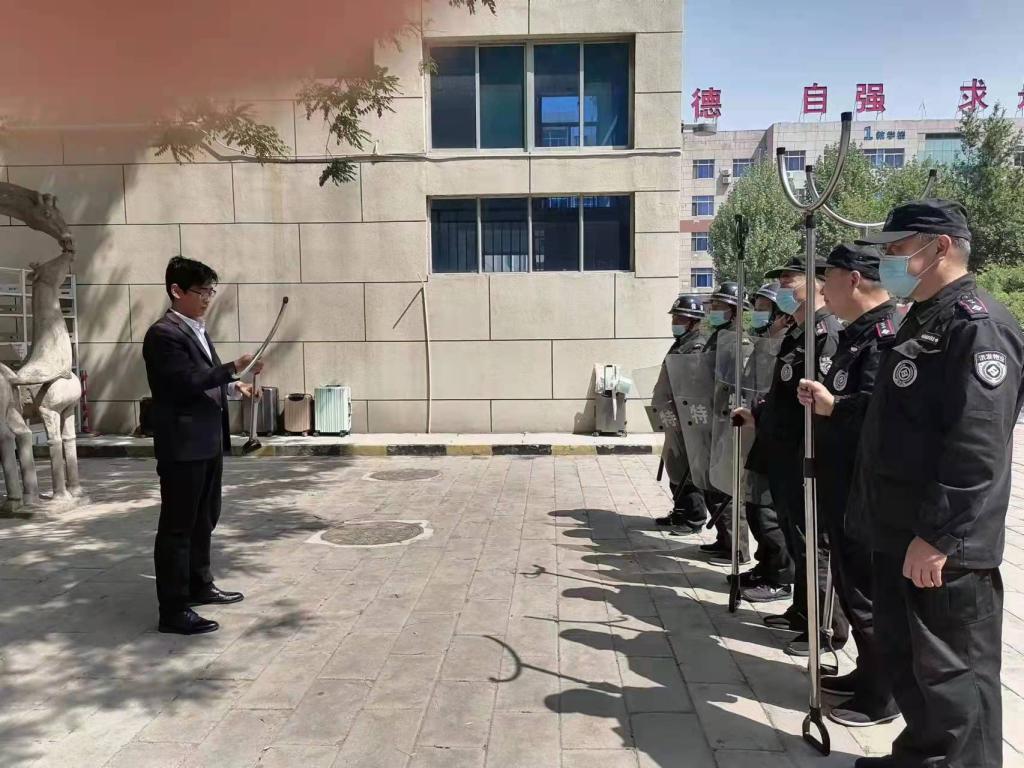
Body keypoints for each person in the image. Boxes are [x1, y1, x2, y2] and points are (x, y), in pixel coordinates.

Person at [848, 200, 1024, 767]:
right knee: (911, 665)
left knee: (955, 678)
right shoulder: (922, 318)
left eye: (898, 250)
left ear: (939, 247)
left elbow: (978, 445)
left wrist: (939, 536)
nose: (890, 263)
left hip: (941, 543)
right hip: (900, 530)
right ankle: (920, 758)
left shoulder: (978, 326)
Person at [797, 244, 900, 728]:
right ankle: (867, 672)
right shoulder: (856, 333)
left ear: (854, 278)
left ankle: (884, 693)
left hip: (866, 488)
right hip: (841, 483)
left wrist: (835, 406)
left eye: (829, 277)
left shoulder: (885, 336)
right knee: (851, 585)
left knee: (868, 591)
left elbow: (882, 411)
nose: (823, 288)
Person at [734, 257, 849, 658]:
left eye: (790, 280)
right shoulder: (797, 334)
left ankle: (826, 629)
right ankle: (802, 611)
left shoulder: (825, 334)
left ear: (818, 283)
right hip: (781, 453)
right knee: (796, 537)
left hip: (806, 454)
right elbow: (782, 397)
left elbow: (823, 403)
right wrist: (757, 414)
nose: (783, 287)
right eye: (780, 280)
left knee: (814, 543)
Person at [143, 256, 263, 636]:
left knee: (205, 518)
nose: (208, 298)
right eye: (202, 291)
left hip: (208, 442)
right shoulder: (163, 334)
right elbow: (184, 382)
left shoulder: (196, 329)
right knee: (177, 527)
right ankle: (173, 610)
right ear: (176, 291)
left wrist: (235, 386)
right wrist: (231, 368)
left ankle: (199, 584)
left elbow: (205, 380)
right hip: (182, 445)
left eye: (211, 291)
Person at [728, 282, 796, 595]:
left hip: (777, 436)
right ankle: (765, 565)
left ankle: (780, 577)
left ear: (781, 314)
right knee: (755, 505)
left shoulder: (787, 344)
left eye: (763, 308)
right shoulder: (766, 342)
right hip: (758, 429)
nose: (756, 313)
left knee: (769, 512)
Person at [699, 282, 752, 566]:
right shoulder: (718, 337)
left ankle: (737, 549)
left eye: (719, 306)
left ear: (734, 310)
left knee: (728, 487)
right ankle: (724, 539)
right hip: (713, 419)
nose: (713, 311)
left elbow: (740, 386)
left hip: (729, 422)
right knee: (714, 484)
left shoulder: (739, 342)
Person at [652, 294, 707, 531]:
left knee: (687, 469)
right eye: (674, 318)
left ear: (694, 322)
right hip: (673, 417)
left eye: (681, 318)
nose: (675, 322)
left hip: (687, 418)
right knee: (675, 466)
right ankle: (680, 511)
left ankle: (694, 518)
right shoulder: (681, 343)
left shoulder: (697, 346)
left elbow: (692, 385)